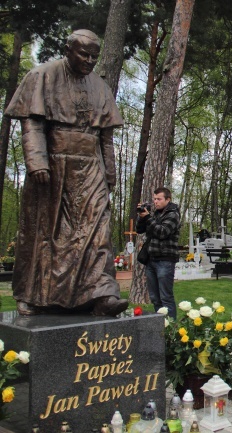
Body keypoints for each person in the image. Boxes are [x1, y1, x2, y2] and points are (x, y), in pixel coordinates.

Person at [6, 29, 127, 316]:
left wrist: (109, 173)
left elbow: (105, 137)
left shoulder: (100, 87)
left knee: (99, 231)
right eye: (83, 54)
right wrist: (37, 162)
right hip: (54, 165)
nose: (89, 60)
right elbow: (32, 125)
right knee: (44, 232)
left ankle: (102, 294)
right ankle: (31, 294)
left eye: (94, 57)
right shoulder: (43, 76)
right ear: (68, 49)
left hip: (90, 166)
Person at [136, 187, 181, 319]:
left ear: (168, 199)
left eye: (159, 199)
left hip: (165, 260)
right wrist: (141, 217)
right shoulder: (155, 214)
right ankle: (160, 325)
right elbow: (139, 230)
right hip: (152, 259)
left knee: (166, 297)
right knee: (155, 298)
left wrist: (149, 218)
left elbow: (162, 232)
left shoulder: (173, 214)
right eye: (155, 199)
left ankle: (171, 328)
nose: (156, 202)